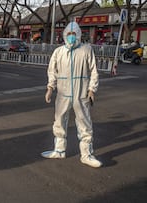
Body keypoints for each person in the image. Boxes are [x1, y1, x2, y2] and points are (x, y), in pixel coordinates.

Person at [42, 22, 102, 168]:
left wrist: (91, 89)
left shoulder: (86, 50)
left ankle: (86, 154)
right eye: (69, 34)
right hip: (63, 93)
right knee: (59, 120)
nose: (71, 37)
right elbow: (52, 71)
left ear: (79, 35)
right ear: (64, 35)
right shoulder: (59, 52)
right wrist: (50, 88)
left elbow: (93, 70)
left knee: (84, 122)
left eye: (74, 35)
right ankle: (59, 150)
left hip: (81, 93)